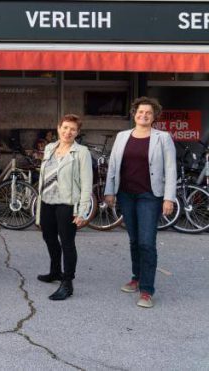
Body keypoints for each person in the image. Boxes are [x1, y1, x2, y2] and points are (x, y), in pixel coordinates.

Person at [104, 97, 177, 309]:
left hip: (149, 196)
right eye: (140, 112)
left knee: (147, 242)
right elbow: (113, 165)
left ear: (154, 117)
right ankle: (136, 277)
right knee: (134, 240)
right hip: (126, 194)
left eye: (148, 113)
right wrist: (110, 191)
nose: (143, 115)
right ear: (134, 114)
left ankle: (146, 290)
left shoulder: (163, 138)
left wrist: (168, 198)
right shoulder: (122, 136)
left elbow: (170, 169)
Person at [35, 114, 93, 300]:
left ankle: (67, 283)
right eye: (65, 127)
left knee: (67, 242)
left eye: (73, 129)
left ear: (77, 132)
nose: (68, 132)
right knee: (48, 237)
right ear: (59, 127)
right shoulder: (50, 148)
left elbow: (86, 183)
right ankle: (55, 271)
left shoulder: (81, 152)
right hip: (47, 201)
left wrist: (83, 211)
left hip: (67, 204)